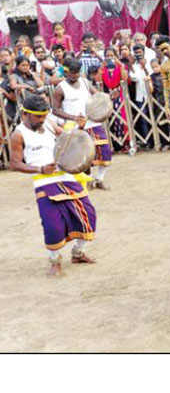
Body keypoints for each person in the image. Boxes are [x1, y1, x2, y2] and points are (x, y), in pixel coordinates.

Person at [9, 94, 98, 276]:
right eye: (38, 117)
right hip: (44, 181)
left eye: (44, 116)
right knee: (53, 225)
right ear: (25, 113)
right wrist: (40, 169)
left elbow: (67, 137)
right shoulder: (18, 135)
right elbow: (15, 164)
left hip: (67, 176)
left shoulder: (48, 123)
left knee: (87, 214)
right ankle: (55, 260)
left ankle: (78, 253)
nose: (41, 120)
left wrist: (79, 128)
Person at [52, 57, 113, 190]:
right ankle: (88, 180)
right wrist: (74, 118)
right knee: (82, 155)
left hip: (92, 123)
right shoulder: (60, 89)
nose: (76, 75)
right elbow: (55, 110)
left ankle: (100, 179)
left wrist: (106, 98)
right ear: (66, 71)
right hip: (75, 126)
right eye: (73, 72)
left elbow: (97, 97)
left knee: (105, 151)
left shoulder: (85, 82)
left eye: (78, 72)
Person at [100, 47, 131, 153]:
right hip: (108, 96)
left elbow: (125, 78)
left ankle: (126, 143)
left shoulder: (120, 66)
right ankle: (114, 144)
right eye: (107, 56)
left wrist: (120, 65)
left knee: (122, 119)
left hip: (120, 94)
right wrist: (101, 68)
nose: (109, 58)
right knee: (110, 120)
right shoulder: (103, 69)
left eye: (111, 55)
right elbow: (99, 80)